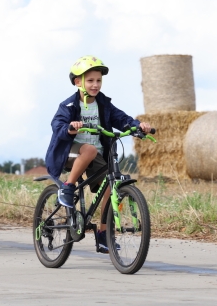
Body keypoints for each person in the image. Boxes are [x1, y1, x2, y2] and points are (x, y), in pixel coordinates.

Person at [45, 55, 151, 253]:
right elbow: (57, 125)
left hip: (96, 156)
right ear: (78, 82)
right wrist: (70, 127)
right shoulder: (68, 106)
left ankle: (103, 235)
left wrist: (138, 126)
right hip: (70, 153)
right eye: (90, 80)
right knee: (90, 149)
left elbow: (123, 119)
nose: (95, 85)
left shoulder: (103, 104)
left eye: (98, 80)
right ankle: (68, 187)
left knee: (113, 185)